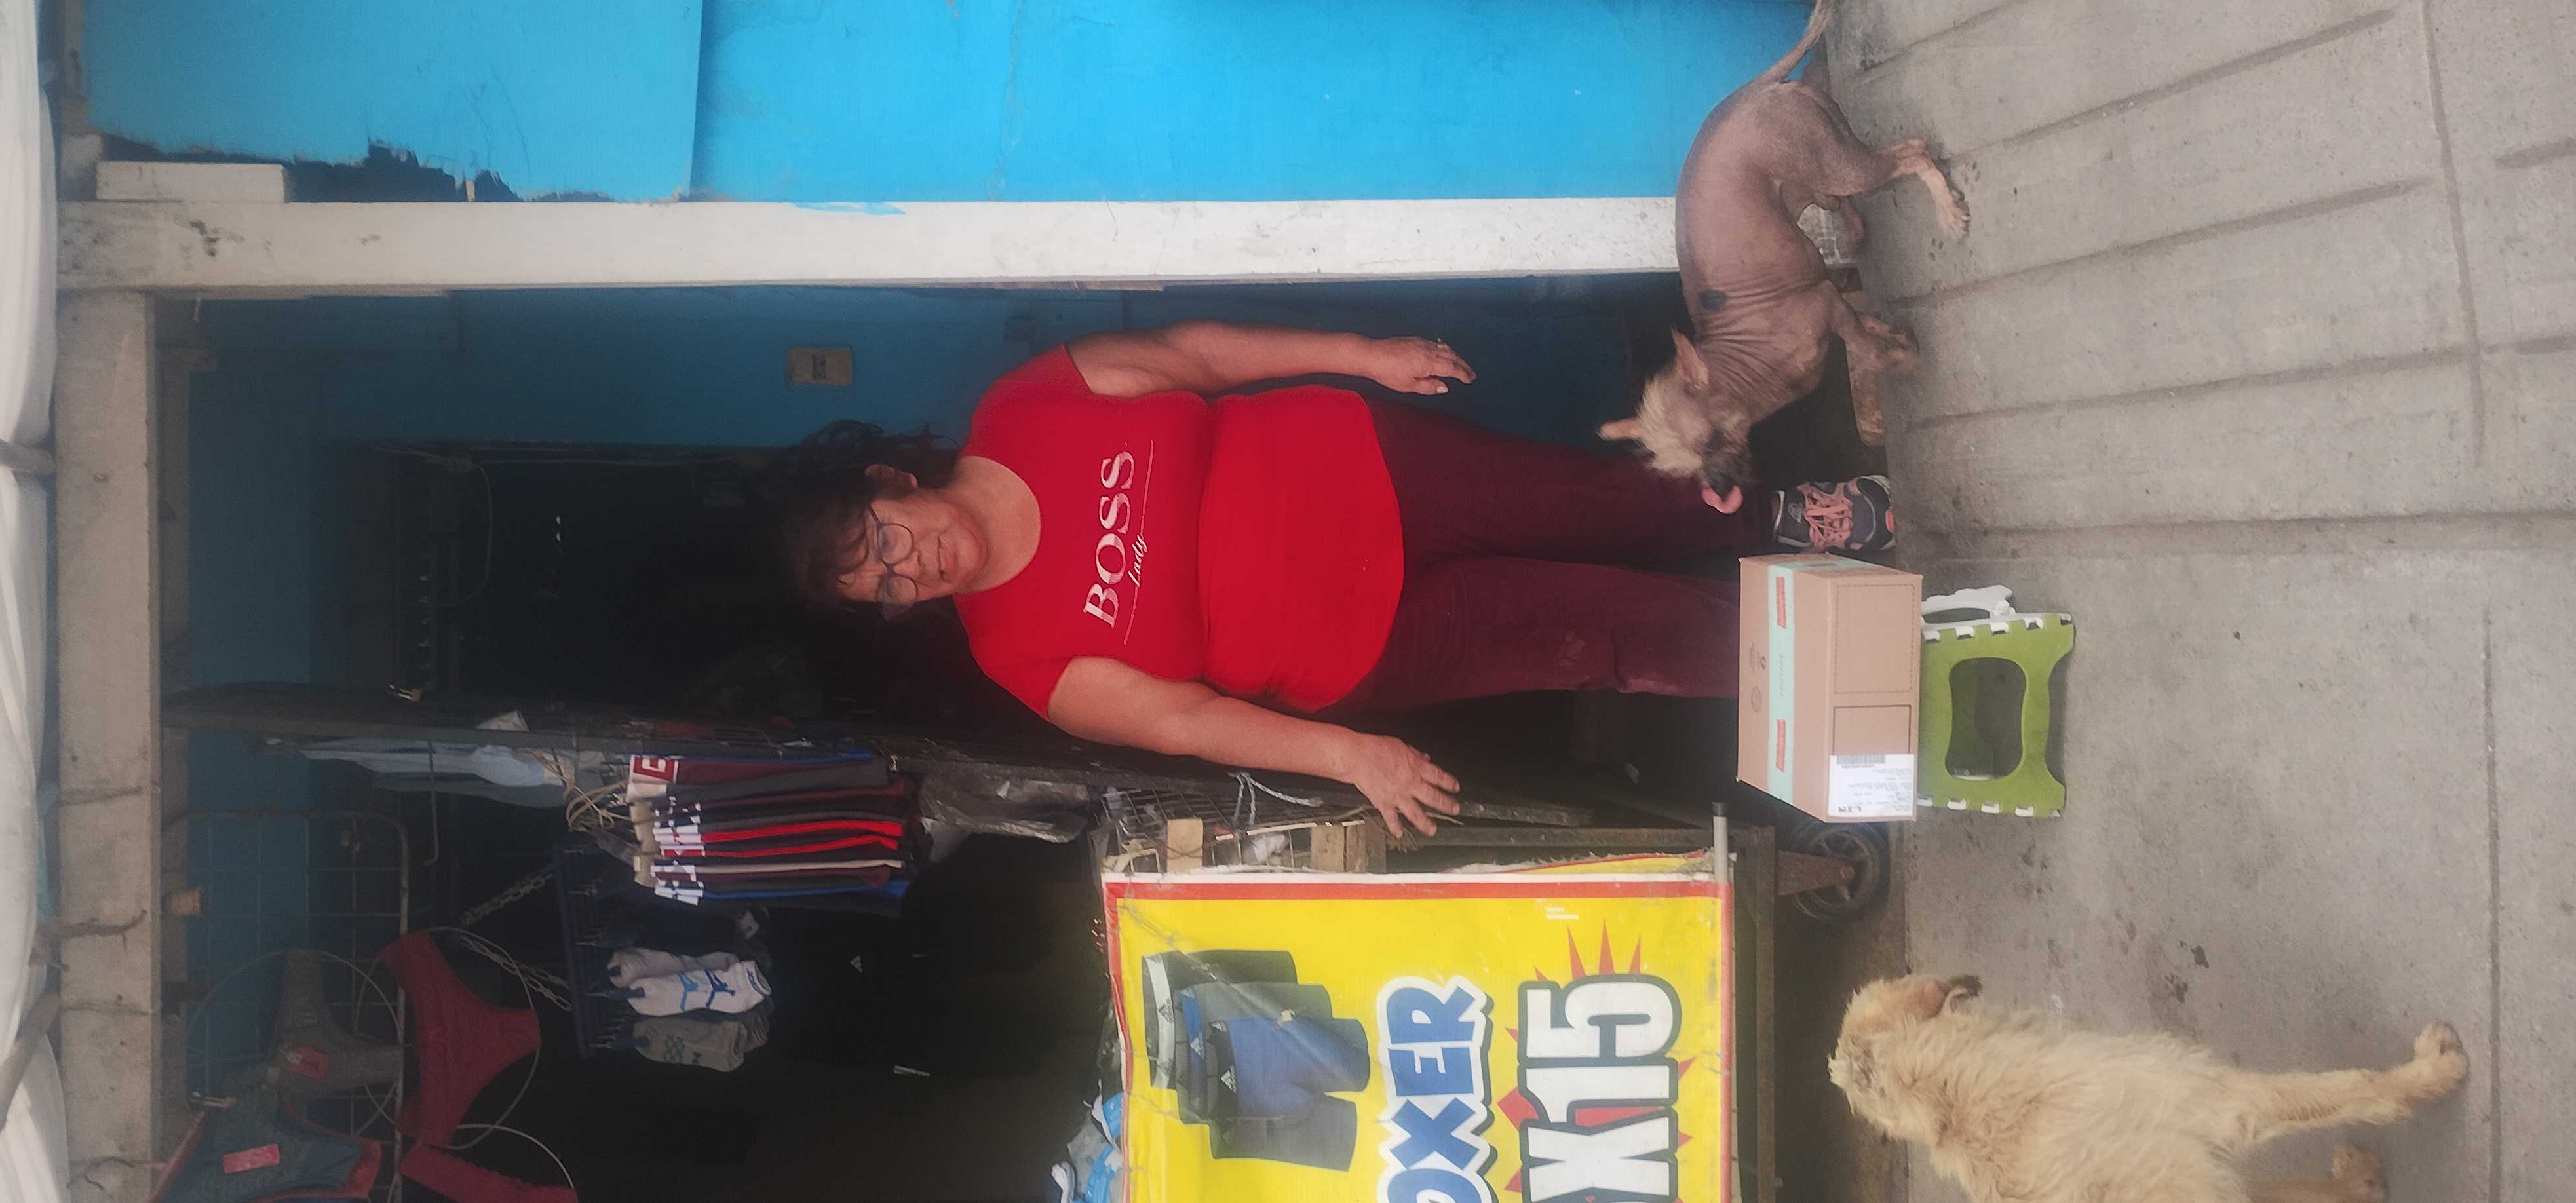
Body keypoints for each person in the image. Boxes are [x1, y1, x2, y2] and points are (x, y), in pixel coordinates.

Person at [770, 322, 1893, 836]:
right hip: (1379, 639)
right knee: (1605, 639)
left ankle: (1800, 515)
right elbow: (1185, 722)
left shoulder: (1024, 407)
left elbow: (1195, 358)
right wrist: (1352, 757)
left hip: (1381, 466)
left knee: (1594, 499)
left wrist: (1360, 355)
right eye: (885, 591)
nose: (909, 570)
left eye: (883, 541)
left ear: (889, 482)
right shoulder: (1014, 654)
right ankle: (1852, 652)